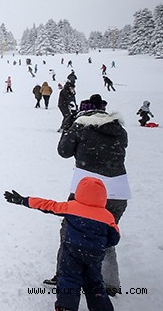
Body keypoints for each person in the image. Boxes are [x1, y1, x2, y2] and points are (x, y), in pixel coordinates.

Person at [46, 94, 129, 295]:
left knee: (70, 232)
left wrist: (68, 128)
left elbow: (64, 151)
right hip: (116, 191)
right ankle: (110, 283)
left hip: (86, 191)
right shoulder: (119, 130)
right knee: (104, 233)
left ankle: (64, 275)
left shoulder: (80, 126)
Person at [4, 177, 119, 311]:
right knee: (94, 282)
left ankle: (66, 306)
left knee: (69, 278)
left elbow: (48, 205)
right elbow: (114, 238)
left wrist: (24, 200)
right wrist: (99, 245)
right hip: (94, 254)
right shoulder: (107, 216)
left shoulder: (71, 207)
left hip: (72, 250)